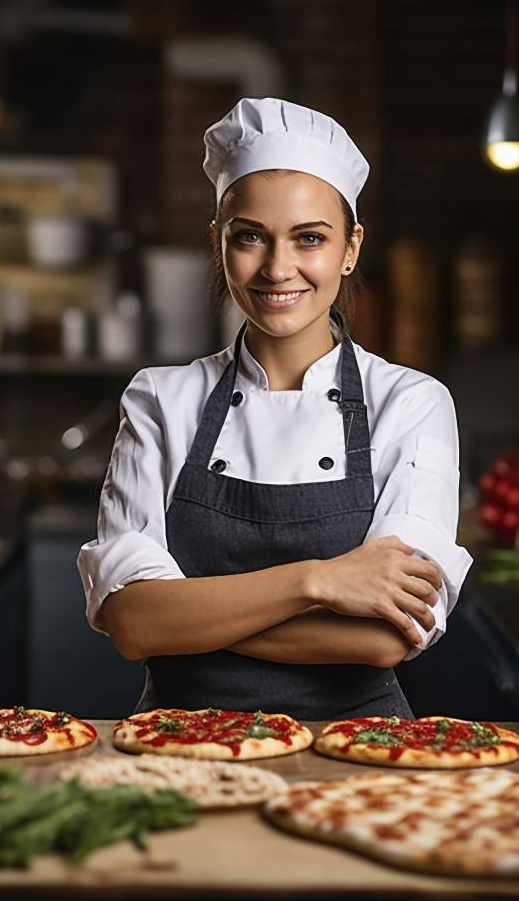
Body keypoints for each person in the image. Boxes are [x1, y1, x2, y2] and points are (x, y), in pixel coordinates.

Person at [78, 97, 472, 719]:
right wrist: (316, 582)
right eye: (250, 237)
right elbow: (132, 623)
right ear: (219, 244)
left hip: (363, 759)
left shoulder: (412, 402)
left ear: (350, 248)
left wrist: (186, 618)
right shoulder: (160, 399)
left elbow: (382, 639)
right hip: (180, 746)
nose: (277, 268)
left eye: (309, 238)